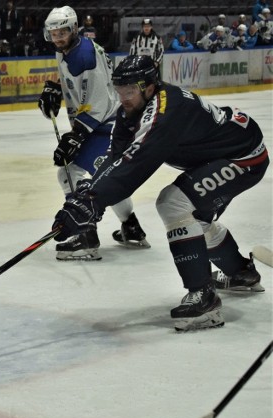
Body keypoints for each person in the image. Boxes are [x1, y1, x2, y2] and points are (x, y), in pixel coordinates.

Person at [51, 55, 268, 331]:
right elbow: (116, 157)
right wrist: (85, 197)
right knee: (194, 219)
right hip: (219, 154)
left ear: (149, 87)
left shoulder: (166, 110)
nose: (123, 98)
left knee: (173, 203)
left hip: (244, 156)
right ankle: (241, 273)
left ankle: (204, 297)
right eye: (120, 91)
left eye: (129, 91)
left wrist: (93, 201)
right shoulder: (131, 111)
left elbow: (137, 162)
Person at [38, 6, 149, 261]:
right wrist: (54, 88)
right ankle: (131, 225)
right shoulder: (71, 49)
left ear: (74, 29)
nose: (57, 38)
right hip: (104, 124)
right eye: (53, 33)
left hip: (108, 125)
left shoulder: (85, 56)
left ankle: (85, 234)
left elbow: (99, 102)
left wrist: (77, 135)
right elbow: (70, 77)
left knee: (70, 173)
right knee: (108, 179)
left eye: (62, 32)